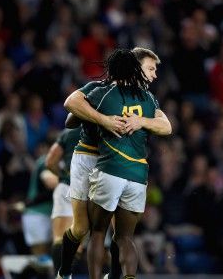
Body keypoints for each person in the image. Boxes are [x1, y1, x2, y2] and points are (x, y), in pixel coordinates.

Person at [57, 47, 170, 279]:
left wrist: (141, 121)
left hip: (111, 163)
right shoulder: (99, 90)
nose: (154, 75)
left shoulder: (146, 98)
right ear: (136, 68)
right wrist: (103, 120)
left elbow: (165, 125)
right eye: (150, 69)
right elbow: (70, 117)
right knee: (82, 228)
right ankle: (64, 272)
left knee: (112, 231)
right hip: (88, 157)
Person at [45, 127, 82, 273]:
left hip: (68, 186)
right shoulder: (104, 129)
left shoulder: (69, 133)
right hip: (92, 191)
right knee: (78, 243)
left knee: (60, 238)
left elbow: (49, 162)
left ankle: (61, 276)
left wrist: (63, 175)